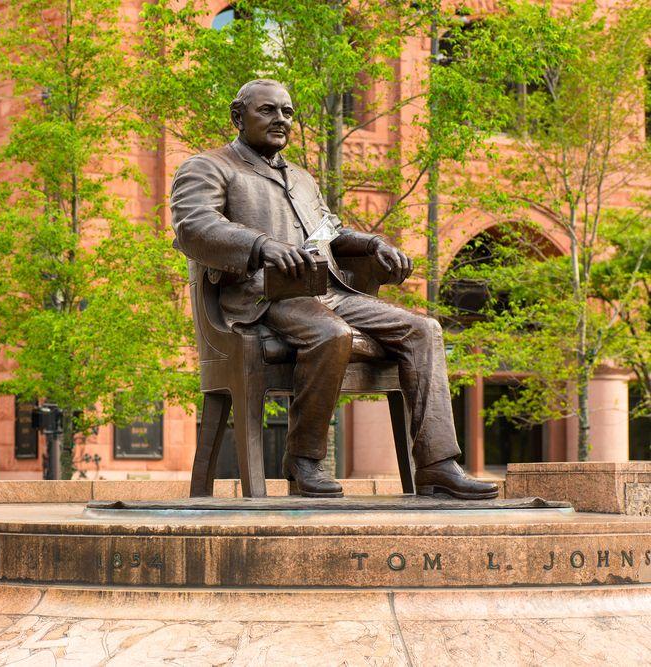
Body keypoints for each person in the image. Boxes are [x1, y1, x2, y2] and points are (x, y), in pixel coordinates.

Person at [170, 79, 497, 499]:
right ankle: (303, 460)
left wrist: (373, 243)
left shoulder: (302, 179)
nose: (281, 120)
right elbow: (194, 226)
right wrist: (261, 245)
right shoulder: (209, 167)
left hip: (327, 291)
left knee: (424, 329)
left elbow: (329, 231)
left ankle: (436, 465)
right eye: (268, 110)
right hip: (263, 296)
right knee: (331, 333)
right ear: (238, 116)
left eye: (287, 112)